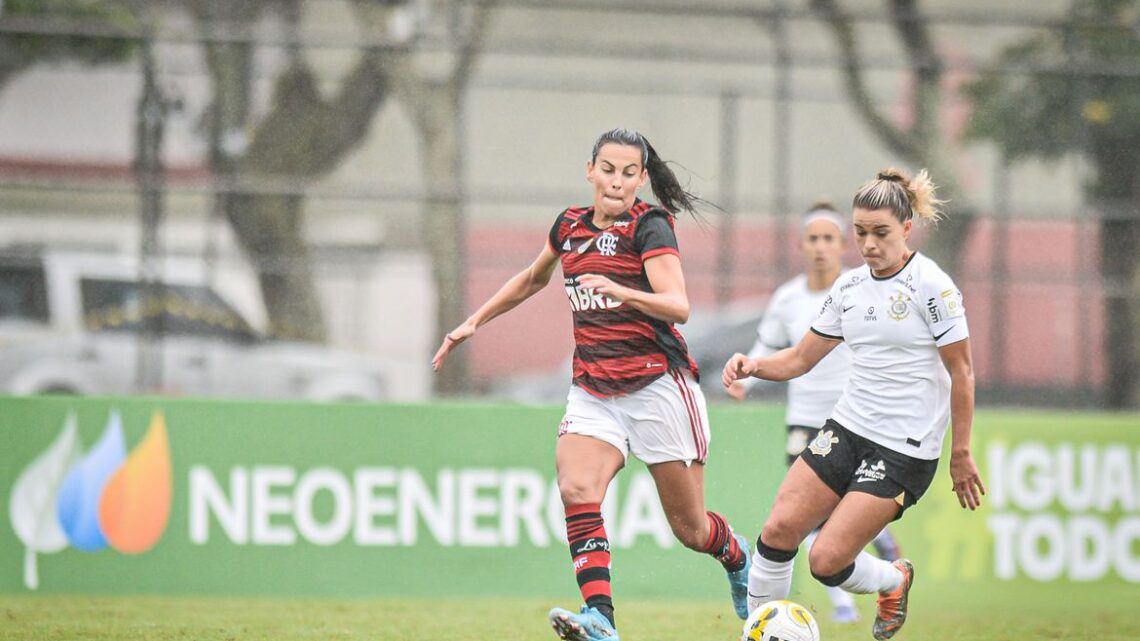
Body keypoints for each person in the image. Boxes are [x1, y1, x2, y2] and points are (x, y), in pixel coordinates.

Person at [433, 128, 750, 641]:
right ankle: (600, 616)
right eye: (608, 169)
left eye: (629, 172)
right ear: (590, 171)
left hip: (658, 388)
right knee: (576, 486)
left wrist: (623, 290)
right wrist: (476, 320)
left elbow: (679, 306)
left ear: (641, 178)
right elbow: (535, 277)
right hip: (594, 390)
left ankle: (736, 556)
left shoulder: (651, 227)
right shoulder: (570, 225)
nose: (617, 181)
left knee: (692, 530)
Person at [721, 168, 986, 641]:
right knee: (780, 528)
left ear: (907, 228)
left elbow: (961, 372)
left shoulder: (933, 287)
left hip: (904, 448)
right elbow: (801, 357)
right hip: (847, 427)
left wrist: (961, 453)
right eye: (860, 233)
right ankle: (760, 634)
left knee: (826, 560)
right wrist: (752, 365)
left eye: (880, 233)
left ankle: (894, 579)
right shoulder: (848, 289)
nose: (868, 245)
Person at [727, 201, 902, 624]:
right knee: (805, 518)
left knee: (844, 515)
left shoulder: (861, 289)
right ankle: (842, 603)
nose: (821, 247)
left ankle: (885, 552)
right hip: (805, 422)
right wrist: (745, 379)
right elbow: (768, 347)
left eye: (829, 239)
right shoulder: (787, 298)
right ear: (802, 245)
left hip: (857, 422)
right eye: (813, 239)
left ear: (843, 244)